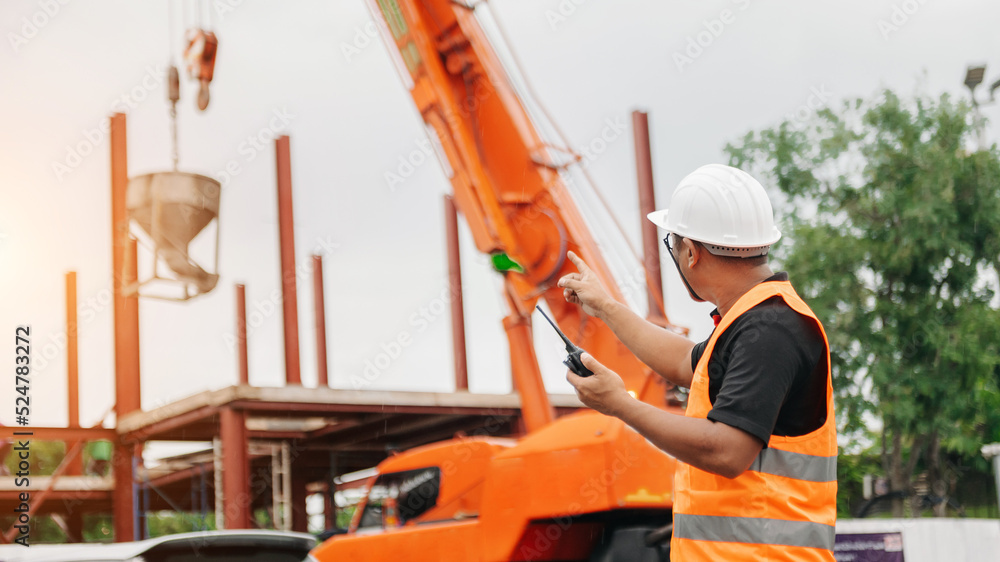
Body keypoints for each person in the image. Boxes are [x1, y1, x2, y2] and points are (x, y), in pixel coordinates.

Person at [557, 163, 837, 561]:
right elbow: (685, 362)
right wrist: (605, 306)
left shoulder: (769, 331)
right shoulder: (754, 323)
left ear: (690, 251)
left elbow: (725, 451)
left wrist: (619, 404)